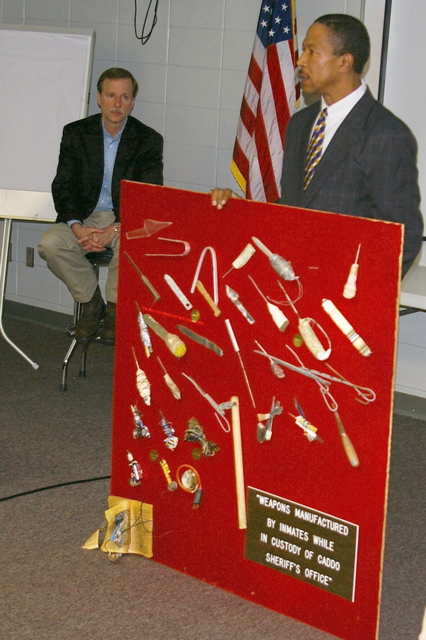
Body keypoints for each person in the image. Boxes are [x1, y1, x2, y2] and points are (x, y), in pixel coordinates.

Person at [211, 14, 424, 277]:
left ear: (344, 62)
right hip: (294, 286)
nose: (300, 60)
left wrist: (359, 295)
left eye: (312, 52)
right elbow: (294, 206)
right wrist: (242, 211)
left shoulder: (385, 134)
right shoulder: (301, 124)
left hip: (345, 297)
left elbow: (405, 235)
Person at [38, 67, 164, 343]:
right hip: (83, 218)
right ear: (98, 98)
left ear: (132, 101)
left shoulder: (149, 140)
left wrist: (116, 229)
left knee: (132, 243)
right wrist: (77, 228)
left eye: (124, 97)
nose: (117, 104)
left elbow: (148, 198)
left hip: (123, 220)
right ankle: (92, 304)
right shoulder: (76, 134)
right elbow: (64, 186)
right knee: (50, 243)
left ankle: (116, 312)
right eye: (110, 95)